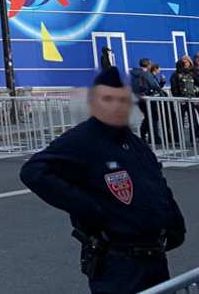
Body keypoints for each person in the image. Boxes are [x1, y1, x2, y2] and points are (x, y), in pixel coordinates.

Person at [21, 67, 186, 292]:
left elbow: (157, 183)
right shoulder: (83, 139)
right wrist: (87, 208)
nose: (116, 106)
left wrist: (174, 221)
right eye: (108, 99)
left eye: (122, 100)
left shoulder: (134, 143)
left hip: (154, 259)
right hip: (118, 263)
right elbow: (34, 171)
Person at [130, 58, 160, 141]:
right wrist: (159, 88)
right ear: (148, 65)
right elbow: (153, 85)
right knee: (153, 116)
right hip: (148, 97)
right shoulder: (146, 74)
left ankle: (144, 135)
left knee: (148, 116)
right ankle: (153, 137)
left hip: (138, 97)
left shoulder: (134, 74)